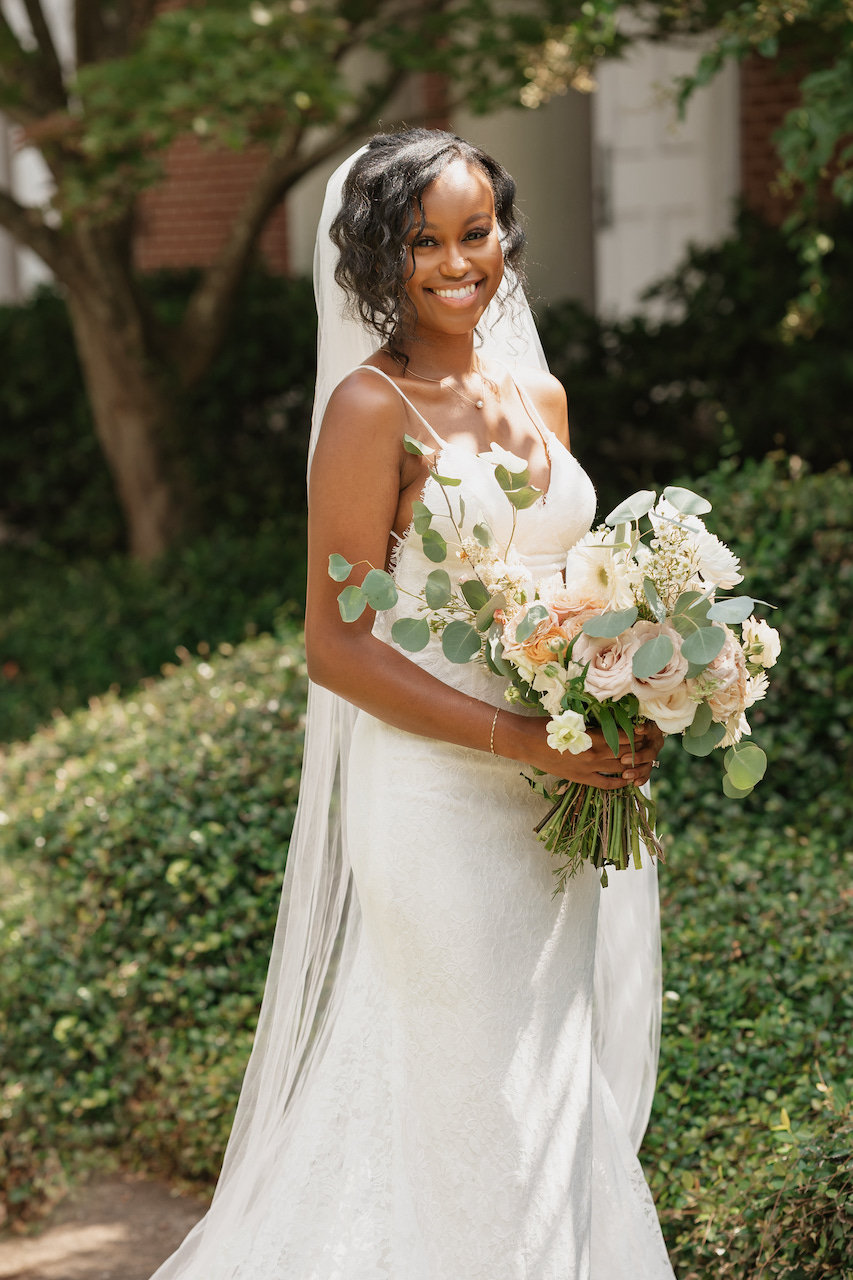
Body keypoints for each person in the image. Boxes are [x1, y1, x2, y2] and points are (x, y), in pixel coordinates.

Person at [151, 128, 675, 1280]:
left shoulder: (540, 394)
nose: (454, 261)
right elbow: (334, 646)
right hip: (434, 804)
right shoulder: (367, 410)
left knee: (540, 1083)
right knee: (470, 1087)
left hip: (552, 802)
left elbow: (572, 587)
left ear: (504, 236)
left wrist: (627, 687)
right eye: (421, 240)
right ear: (375, 260)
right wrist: (516, 731)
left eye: (474, 231)